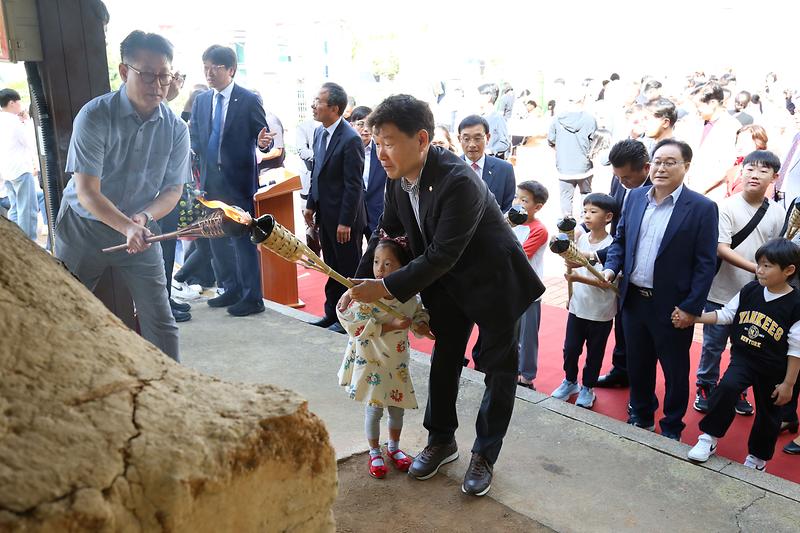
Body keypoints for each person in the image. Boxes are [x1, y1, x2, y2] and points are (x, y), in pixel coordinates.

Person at [344, 94, 544, 497]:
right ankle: (442, 440)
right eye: (376, 142)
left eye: (388, 141)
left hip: (495, 284)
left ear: (421, 140)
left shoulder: (458, 180)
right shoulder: (399, 179)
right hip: (447, 284)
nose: (380, 152)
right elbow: (386, 232)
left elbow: (442, 254)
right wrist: (357, 283)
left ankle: (485, 454)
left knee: (498, 370)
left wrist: (382, 287)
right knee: (445, 357)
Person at [54, 30, 190, 362]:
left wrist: (142, 219)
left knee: (160, 318)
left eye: (164, 76)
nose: (157, 85)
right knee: (66, 313)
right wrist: (125, 225)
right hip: (83, 229)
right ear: (125, 71)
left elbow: (173, 190)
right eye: (147, 75)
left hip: (140, 231)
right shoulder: (95, 115)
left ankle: (172, 394)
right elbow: (86, 192)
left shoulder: (176, 129)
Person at [603, 138, 719, 441]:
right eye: (657, 161)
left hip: (673, 306)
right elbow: (621, 241)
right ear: (649, 164)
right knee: (637, 365)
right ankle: (640, 415)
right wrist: (611, 268)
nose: (661, 168)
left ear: (686, 167)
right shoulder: (635, 198)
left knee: (675, 370)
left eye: (670, 162)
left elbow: (706, 263)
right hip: (634, 301)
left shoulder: (702, 208)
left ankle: (671, 426)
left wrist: (692, 307)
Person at [687, 239, 800, 472]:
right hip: (745, 358)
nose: (759, 270)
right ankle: (708, 438)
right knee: (727, 388)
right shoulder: (750, 290)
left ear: (789, 270)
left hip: (774, 367)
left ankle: (758, 459)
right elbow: (727, 314)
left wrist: (789, 383)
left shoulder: (796, 304)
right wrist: (695, 318)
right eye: (759, 264)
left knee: (769, 412)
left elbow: (796, 348)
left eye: (767, 266)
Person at [694, 150, 786, 416]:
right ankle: (706, 385)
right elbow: (721, 248)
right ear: (741, 172)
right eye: (750, 169)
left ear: (774, 177)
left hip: (755, 296)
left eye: (763, 170)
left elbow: (778, 250)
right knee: (713, 345)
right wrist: (759, 270)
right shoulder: (725, 207)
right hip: (721, 290)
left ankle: (736, 389)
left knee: (746, 346)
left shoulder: (778, 212)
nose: (755, 175)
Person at [336, 234, 433, 479]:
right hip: (372, 361)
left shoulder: (408, 297)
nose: (380, 268)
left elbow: (418, 314)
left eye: (388, 264)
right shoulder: (367, 294)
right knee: (374, 408)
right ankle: (374, 451)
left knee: (397, 408)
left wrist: (420, 325)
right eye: (377, 261)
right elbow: (354, 326)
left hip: (397, 362)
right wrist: (392, 324)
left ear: (404, 269)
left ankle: (394, 448)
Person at [190, 44, 274, 317]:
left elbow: (262, 137)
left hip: (238, 183)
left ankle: (252, 297)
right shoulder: (202, 100)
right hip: (210, 183)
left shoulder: (248, 99)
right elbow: (196, 138)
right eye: (206, 67)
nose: (209, 73)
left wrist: (262, 144)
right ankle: (230, 289)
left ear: (231, 69)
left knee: (242, 241)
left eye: (215, 67)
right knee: (215, 237)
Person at [303, 82, 366, 334]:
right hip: (325, 215)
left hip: (344, 219)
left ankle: (351, 319)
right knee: (331, 268)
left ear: (335, 108)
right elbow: (317, 173)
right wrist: (310, 205)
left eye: (318, 101)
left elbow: (354, 185)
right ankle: (332, 314)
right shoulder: (319, 133)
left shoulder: (351, 139)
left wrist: (345, 222)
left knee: (348, 271)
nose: (313, 105)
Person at [594, 139, 652, 389]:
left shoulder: (656, 191)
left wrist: (600, 256)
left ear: (645, 169)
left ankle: (640, 382)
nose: (622, 182)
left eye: (627, 177)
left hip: (643, 270)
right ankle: (621, 370)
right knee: (622, 323)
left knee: (642, 337)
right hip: (619, 262)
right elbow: (617, 226)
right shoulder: (619, 181)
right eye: (617, 177)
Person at [552, 193, 617, 409]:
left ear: (608, 217)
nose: (587, 216)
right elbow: (573, 263)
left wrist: (576, 276)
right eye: (585, 211)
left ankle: (588, 387)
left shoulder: (613, 246)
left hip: (601, 311)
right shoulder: (580, 239)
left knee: (594, 352)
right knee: (570, 348)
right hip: (578, 307)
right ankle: (570, 381)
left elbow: (607, 283)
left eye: (593, 212)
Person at [510, 180, 549, 390]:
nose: (518, 202)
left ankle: (527, 376)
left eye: (524, 200)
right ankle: (512, 368)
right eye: (517, 197)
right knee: (511, 332)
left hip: (529, 290)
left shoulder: (539, 230)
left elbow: (520, 256)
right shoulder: (513, 223)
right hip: (510, 288)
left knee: (528, 335)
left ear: (538, 206)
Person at [686, 82, 741, 202]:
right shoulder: (697, 122)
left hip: (712, 192)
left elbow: (725, 165)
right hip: (688, 187)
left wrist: (701, 189)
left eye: (699, 106)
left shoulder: (731, 126)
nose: (697, 111)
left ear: (712, 103)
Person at [548, 90, 597, 216]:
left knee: (566, 199)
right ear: (583, 99)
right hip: (584, 166)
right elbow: (595, 142)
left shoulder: (557, 119)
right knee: (586, 197)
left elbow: (551, 141)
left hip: (564, 166)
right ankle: (585, 227)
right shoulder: (590, 119)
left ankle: (567, 229)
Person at [0, 88, 39, 240]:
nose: (20, 105)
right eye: (19, 102)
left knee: (15, 208)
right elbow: (30, 141)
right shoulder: (13, 121)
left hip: (6, 171)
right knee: (27, 209)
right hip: (21, 169)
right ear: (12, 103)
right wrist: (27, 121)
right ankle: (30, 243)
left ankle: (16, 241)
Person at [458, 115, 515, 213]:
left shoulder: (505, 170)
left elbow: (508, 207)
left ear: (488, 138)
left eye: (477, 138)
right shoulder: (450, 169)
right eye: (466, 139)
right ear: (459, 139)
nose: (472, 145)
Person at [348, 106, 388, 240]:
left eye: (369, 124)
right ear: (351, 125)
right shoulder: (346, 150)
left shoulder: (382, 150)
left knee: (378, 252)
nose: (365, 129)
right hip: (353, 213)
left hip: (377, 212)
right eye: (360, 124)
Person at [725, 125, 769, 197]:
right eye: (738, 142)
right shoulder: (737, 166)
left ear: (758, 144)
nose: (739, 146)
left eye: (744, 142)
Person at [478, 83, 510, 159]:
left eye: (478, 95)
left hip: (490, 161)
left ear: (488, 97)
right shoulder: (478, 117)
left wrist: (490, 150)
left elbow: (504, 142)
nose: (476, 98)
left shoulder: (498, 118)